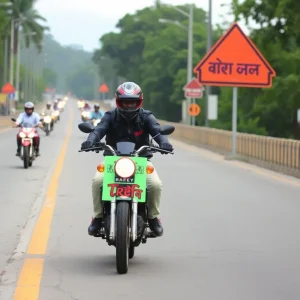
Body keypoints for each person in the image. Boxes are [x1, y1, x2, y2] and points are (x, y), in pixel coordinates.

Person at [81, 82, 173, 237]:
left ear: (139, 101)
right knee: (97, 181)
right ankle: (97, 217)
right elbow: (99, 130)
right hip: (112, 161)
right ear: (118, 101)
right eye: (125, 102)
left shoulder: (146, 117)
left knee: (155, 184)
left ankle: (153, 217)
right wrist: (91, 140)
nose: (129, 105)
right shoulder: (110, 116)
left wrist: (164, 143)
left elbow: (157, 131)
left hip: (141, 161)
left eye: (132, 102)